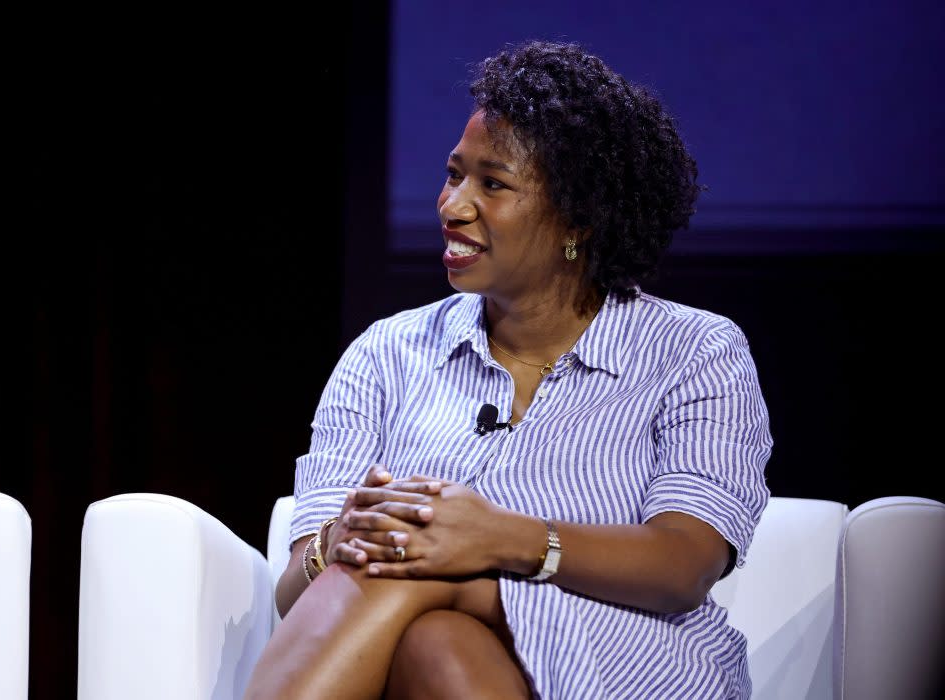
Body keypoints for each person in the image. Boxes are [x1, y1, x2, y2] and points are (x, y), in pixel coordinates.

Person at [246, 39, 773, 699]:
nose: (452, 206)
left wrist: (502, 541)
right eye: (453, 174)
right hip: (431, 652)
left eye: (492, 184)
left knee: (405, 559)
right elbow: (299, 594)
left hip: (624, 662)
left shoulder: (694, 351)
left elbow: (683, 565)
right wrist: (336, 539)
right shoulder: (385, 355)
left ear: (578, 219)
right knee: (427, 626)